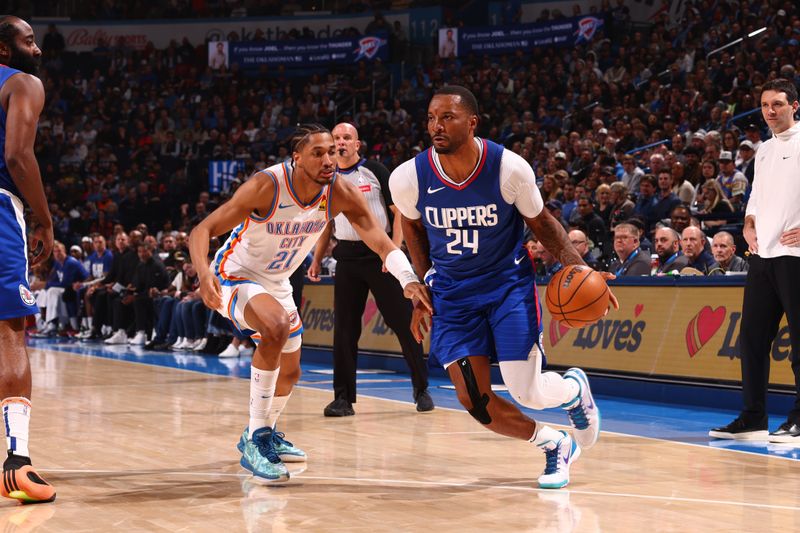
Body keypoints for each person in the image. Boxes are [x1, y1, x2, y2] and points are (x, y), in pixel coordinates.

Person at [389, 86, 617, 490]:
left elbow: (542, 223)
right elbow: (411, 225)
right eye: (430, 118)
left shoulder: (509, 168)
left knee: (526, 391)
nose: (436, 126)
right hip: (453, 297)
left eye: (447, 118)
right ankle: (553, 445)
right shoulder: (409, 176)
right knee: (475, 401)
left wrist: (583, 271)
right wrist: (423, 283)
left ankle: (571, 389)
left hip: (506, 287)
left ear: (472, 122)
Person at [189, 124, 431, 482]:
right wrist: (203, 273)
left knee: (291, 372)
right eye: (318, 153)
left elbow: (381, 243)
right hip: (235, 273)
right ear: (296, 157)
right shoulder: (266, 185)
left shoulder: (340, 192)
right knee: (274, 327)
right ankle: (256, 440)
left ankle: (264, 431)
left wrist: (409, 281)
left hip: (277, 282)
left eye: (332, 151)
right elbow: (202, 230)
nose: (329, 159)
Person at [308, 122, 433, 417]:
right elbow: (325, 223)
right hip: (347, 258)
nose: (341, 142)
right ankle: (343, 398)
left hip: (379, 255)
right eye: (336, 138)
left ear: (357, 144)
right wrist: (316, 258)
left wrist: (392, 249)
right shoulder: (327, 179)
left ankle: (422, 389)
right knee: (345, 329)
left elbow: (398, 214)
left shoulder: (376, 171)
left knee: (403, 322)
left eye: (346, 138)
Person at [710, 79, 800, 443]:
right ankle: (753, 417)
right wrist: (748, 223)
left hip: (796, 255)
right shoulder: (762, 150)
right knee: (751, 340)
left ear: (795, 105)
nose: (770, 111)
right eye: (765, 105)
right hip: (763, 256)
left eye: (778, 104)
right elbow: (757, 198)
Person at [0, 16, 57, 503]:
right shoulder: (22, 82)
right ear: (3, 49)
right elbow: (18, 156)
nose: (37, 50)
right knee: (9, 331)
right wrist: (44, 217)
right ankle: (17, 463)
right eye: (29, 40)